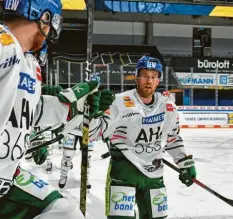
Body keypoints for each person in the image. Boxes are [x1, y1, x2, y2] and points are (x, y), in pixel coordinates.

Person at [0, 0, 109, 218]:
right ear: (45, 17)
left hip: (7, 178)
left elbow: (31, 110)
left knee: (64, 212)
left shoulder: (28, 62)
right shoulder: (4, 44)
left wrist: (73, 106)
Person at [88, 55, 197, 219]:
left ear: (158, 80)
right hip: (124, 171)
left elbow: (172, 138)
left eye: (154, 77)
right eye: (145, 75)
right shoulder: (119, 102)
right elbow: (92, 133)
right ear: (137, 78)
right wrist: (92, 115)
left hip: (154, 175)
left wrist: (184, 162)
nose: (149, 81)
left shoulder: (168, 106)